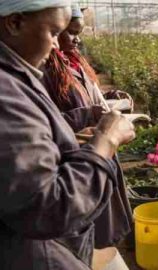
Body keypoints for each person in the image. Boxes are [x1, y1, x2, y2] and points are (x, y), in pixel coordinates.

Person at [0, 1, 135, 269]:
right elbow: (48, 207)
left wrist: (70, 141)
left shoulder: (19, 76)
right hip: (38, 253)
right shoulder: (6, 92)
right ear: (14, 23)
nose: (58, 45)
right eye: (53, 32)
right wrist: (104, 141)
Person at [42, 5, 133, 268]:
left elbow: (90, 93)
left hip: (99, 150)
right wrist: (88, 113)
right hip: (81, 158)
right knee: (91, 223)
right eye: (70, 32)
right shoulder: (47, 69)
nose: (76, 39)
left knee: (106, 214)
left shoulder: (75, 60)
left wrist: (111, 98)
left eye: (78, 33)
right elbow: (51, 121)